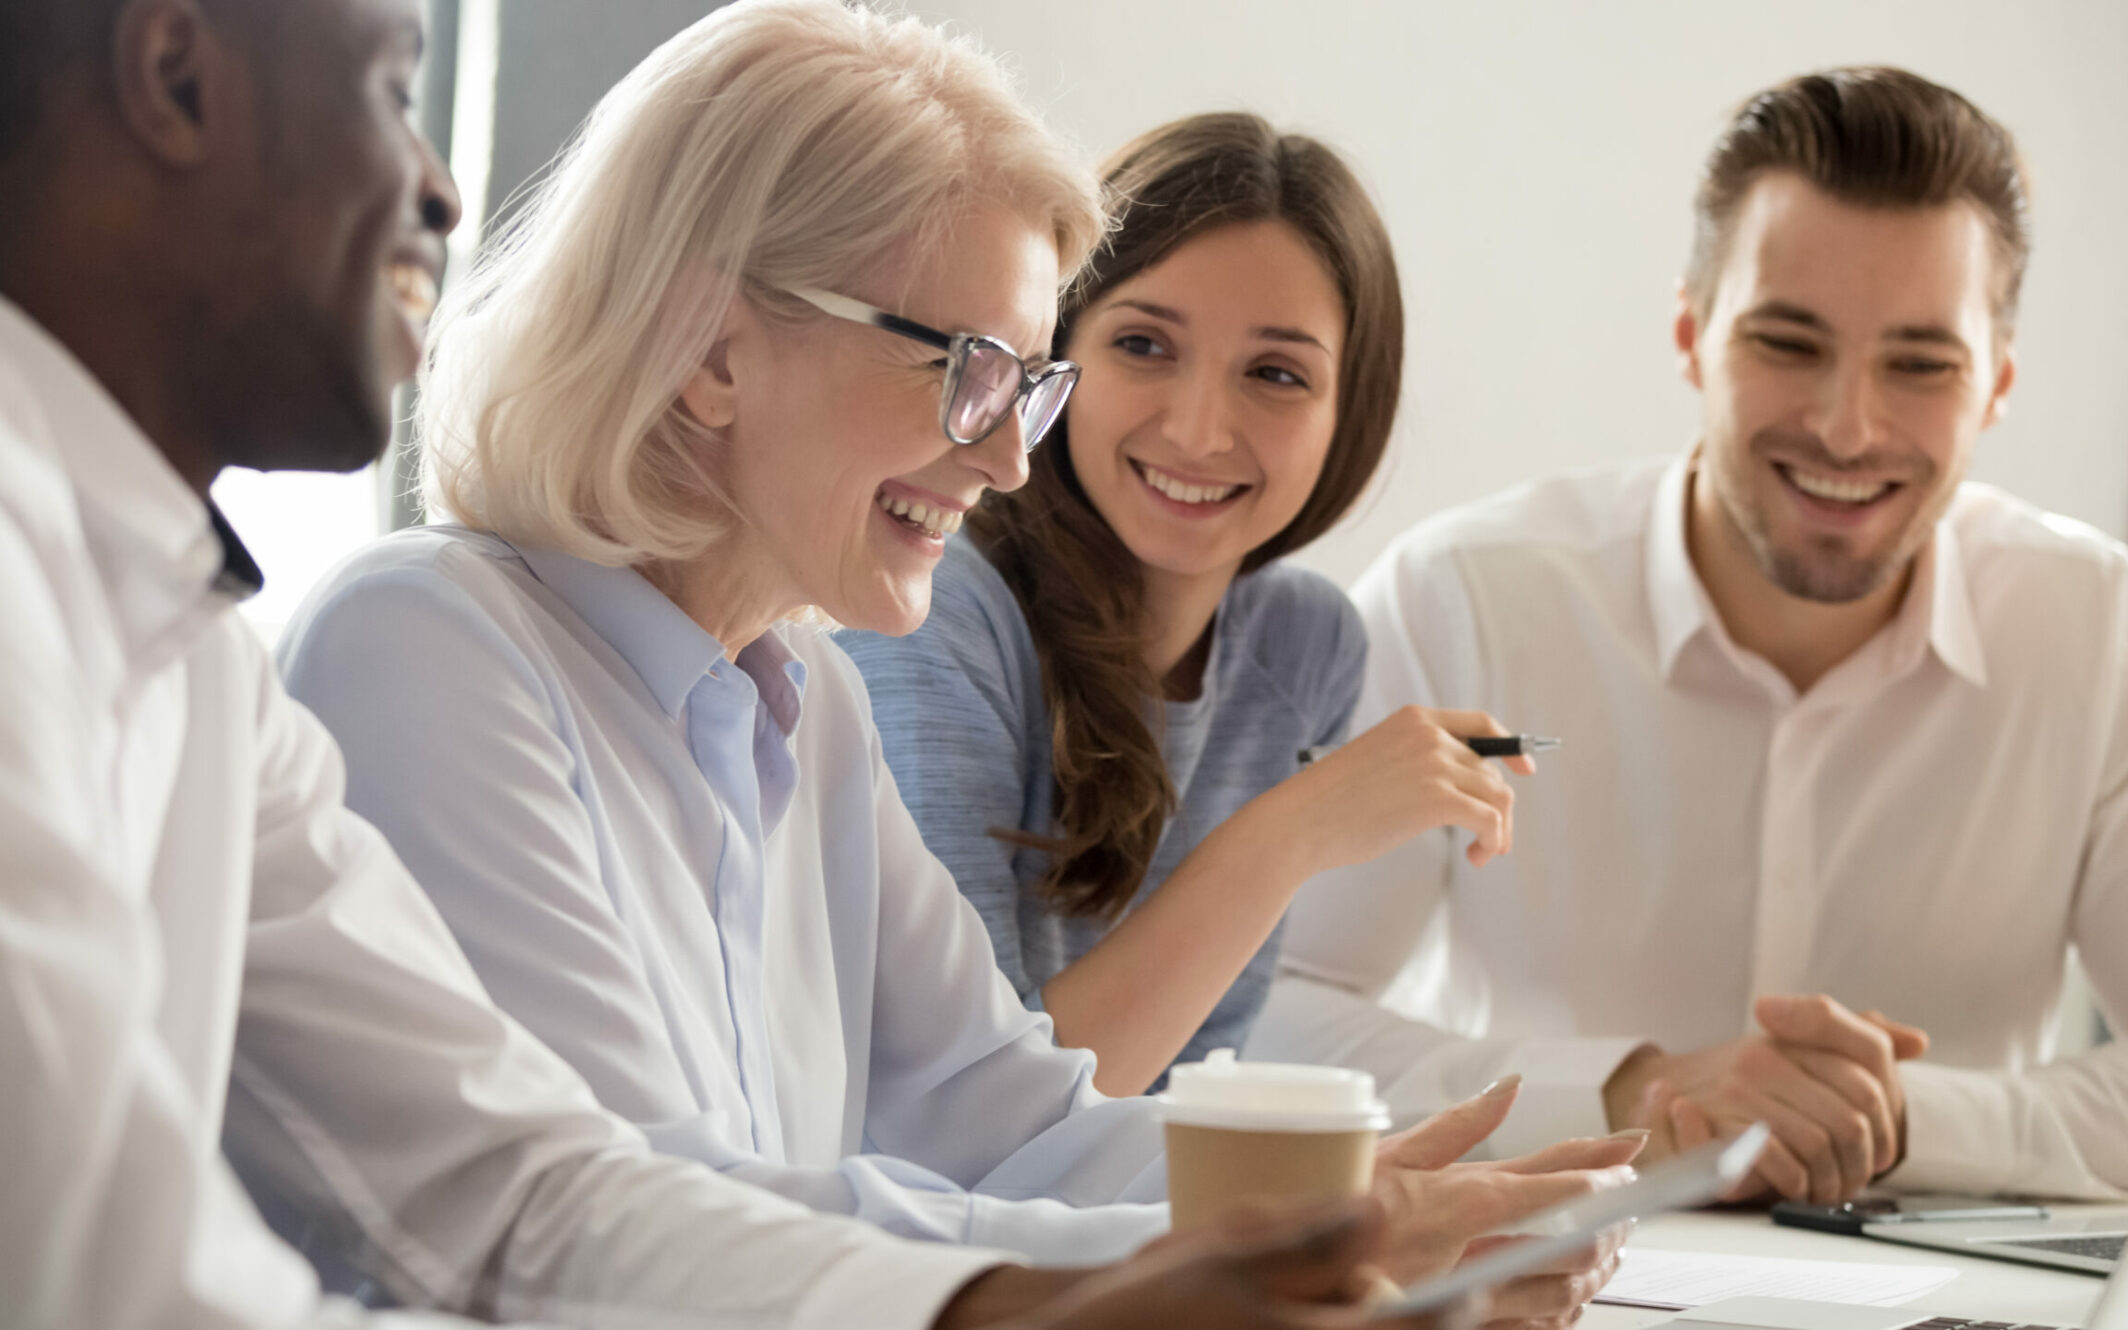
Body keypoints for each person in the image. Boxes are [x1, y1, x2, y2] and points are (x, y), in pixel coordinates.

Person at [0, 0, 1517, 1325]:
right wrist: (1088, 1291)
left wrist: (1355, 1217)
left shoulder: (807, 703)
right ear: (714, 354)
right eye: (970, 371)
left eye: (1025, 386)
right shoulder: (419, 642)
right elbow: (549, 1222)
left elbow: (986, 1126)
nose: (1006, 462)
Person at [1251, 65, 2128, 1206]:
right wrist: (1627, 1092)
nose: (1846, 426)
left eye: (1919, 363)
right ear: (1690, 334)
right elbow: (1259, 1016)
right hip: (1540, 1277)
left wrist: (1897, 1116)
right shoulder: (1462, 601)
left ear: (1996, 383)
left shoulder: (2099, 633)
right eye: (1787, 341)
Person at [842, 111, 1534, 1101]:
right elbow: (972, 1114)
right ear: (1053, 357)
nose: (1201, 430)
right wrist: (1291, 834)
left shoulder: (1303, 644)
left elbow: (1184, 1083)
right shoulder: (936, 614)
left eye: (1276, 373)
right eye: (1143, 345)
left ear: (1350, 412)